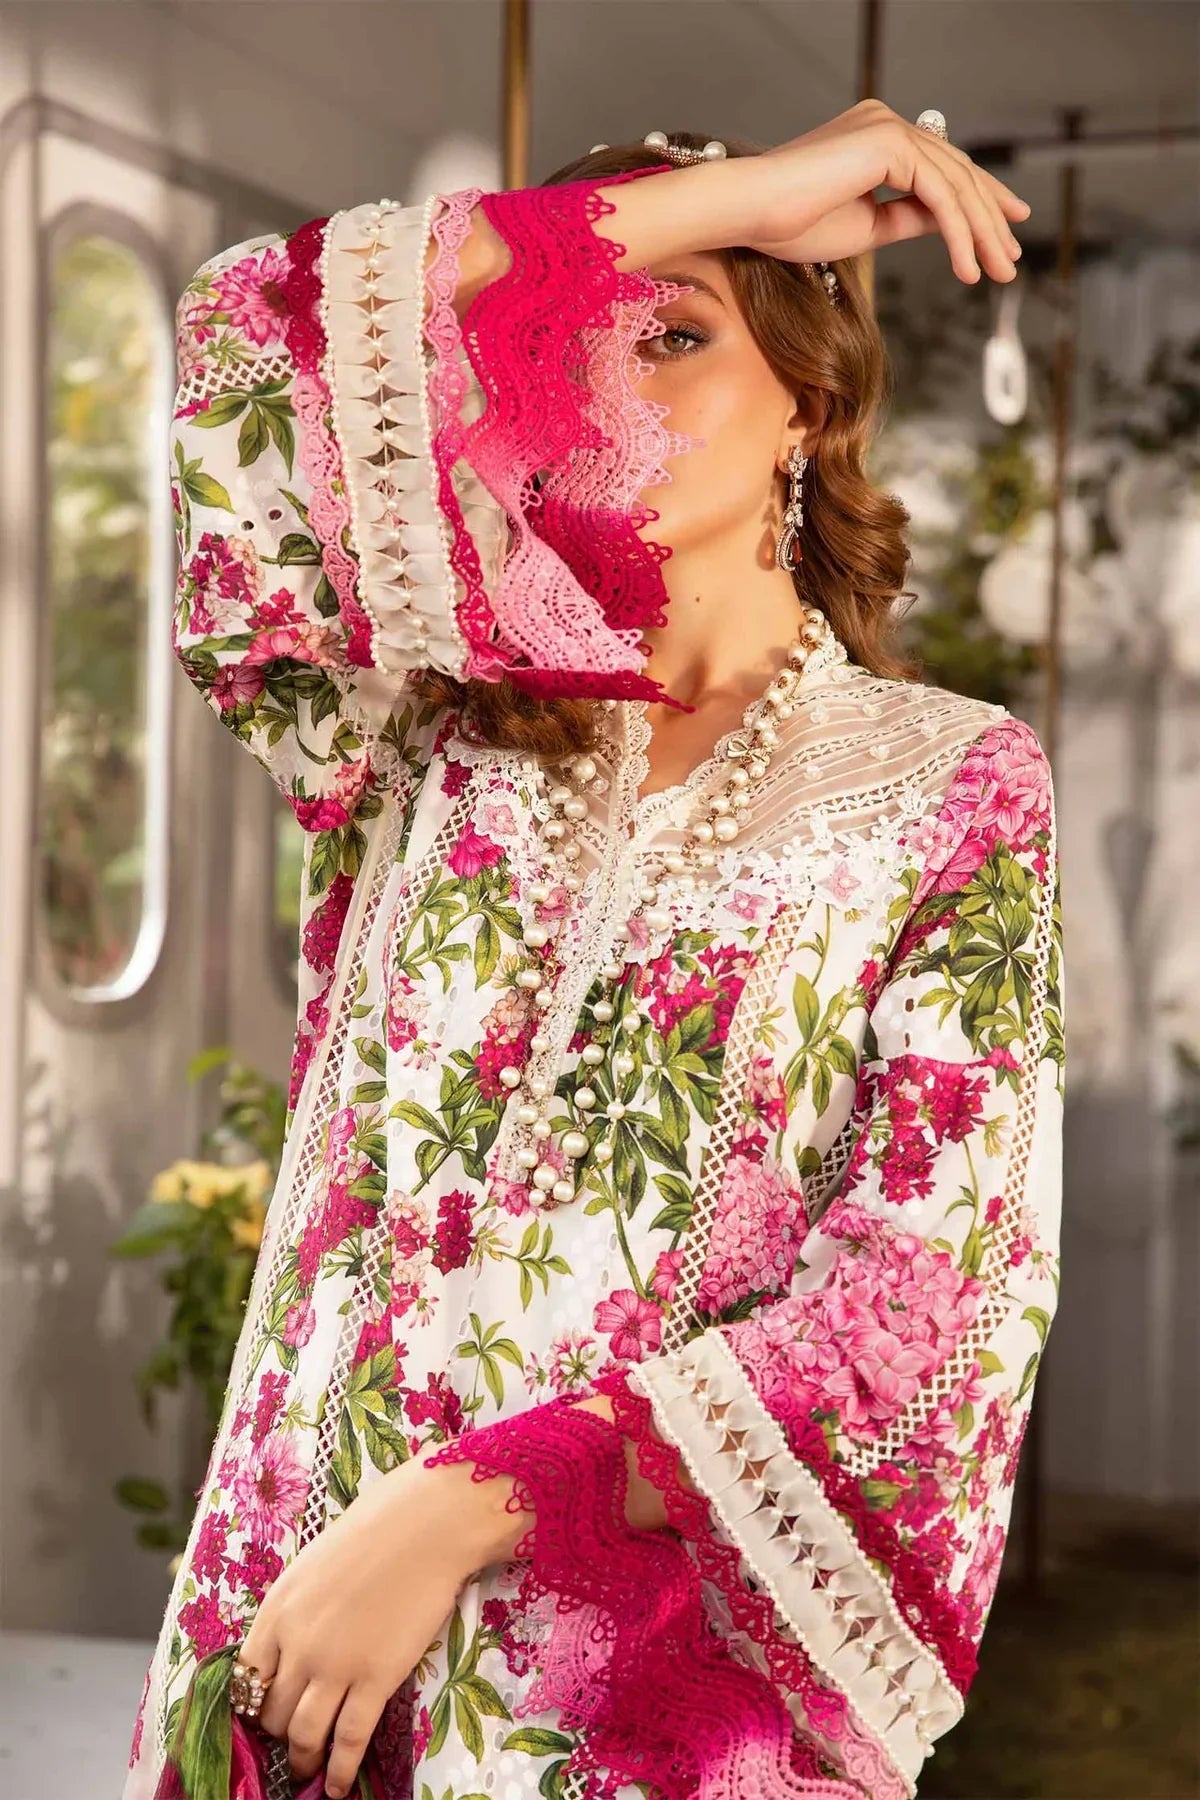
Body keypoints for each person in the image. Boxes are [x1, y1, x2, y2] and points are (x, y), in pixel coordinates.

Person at [125, 101, 1064, 1800]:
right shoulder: (412, 727)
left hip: (624, 1698)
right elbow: (236, 338)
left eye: (684, 332)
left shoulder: (947, 783)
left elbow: (925, 1302)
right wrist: (748, 195)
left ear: (815, 394)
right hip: (304, 1658)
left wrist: (458, 1508)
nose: (605, 385)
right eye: (560, 346)